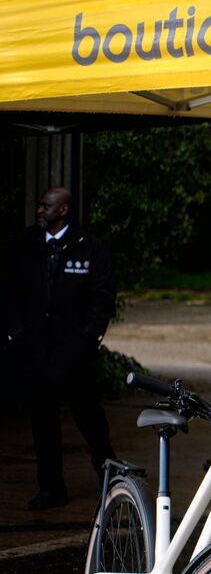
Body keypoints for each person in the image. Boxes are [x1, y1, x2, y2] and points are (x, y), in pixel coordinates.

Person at [10, 187, 116, 510]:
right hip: (38, 352)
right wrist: (17, 332)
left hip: (76, 354)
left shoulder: (89, 247)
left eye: (47, 206)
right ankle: (51, 489)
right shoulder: (28, 244)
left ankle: (111, 477)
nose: (40, 210)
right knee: (43, 424)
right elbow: (12, 289)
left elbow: (102, 298)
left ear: (64, 210)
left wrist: (87, 339)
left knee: (90, 419)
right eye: (40, 205)